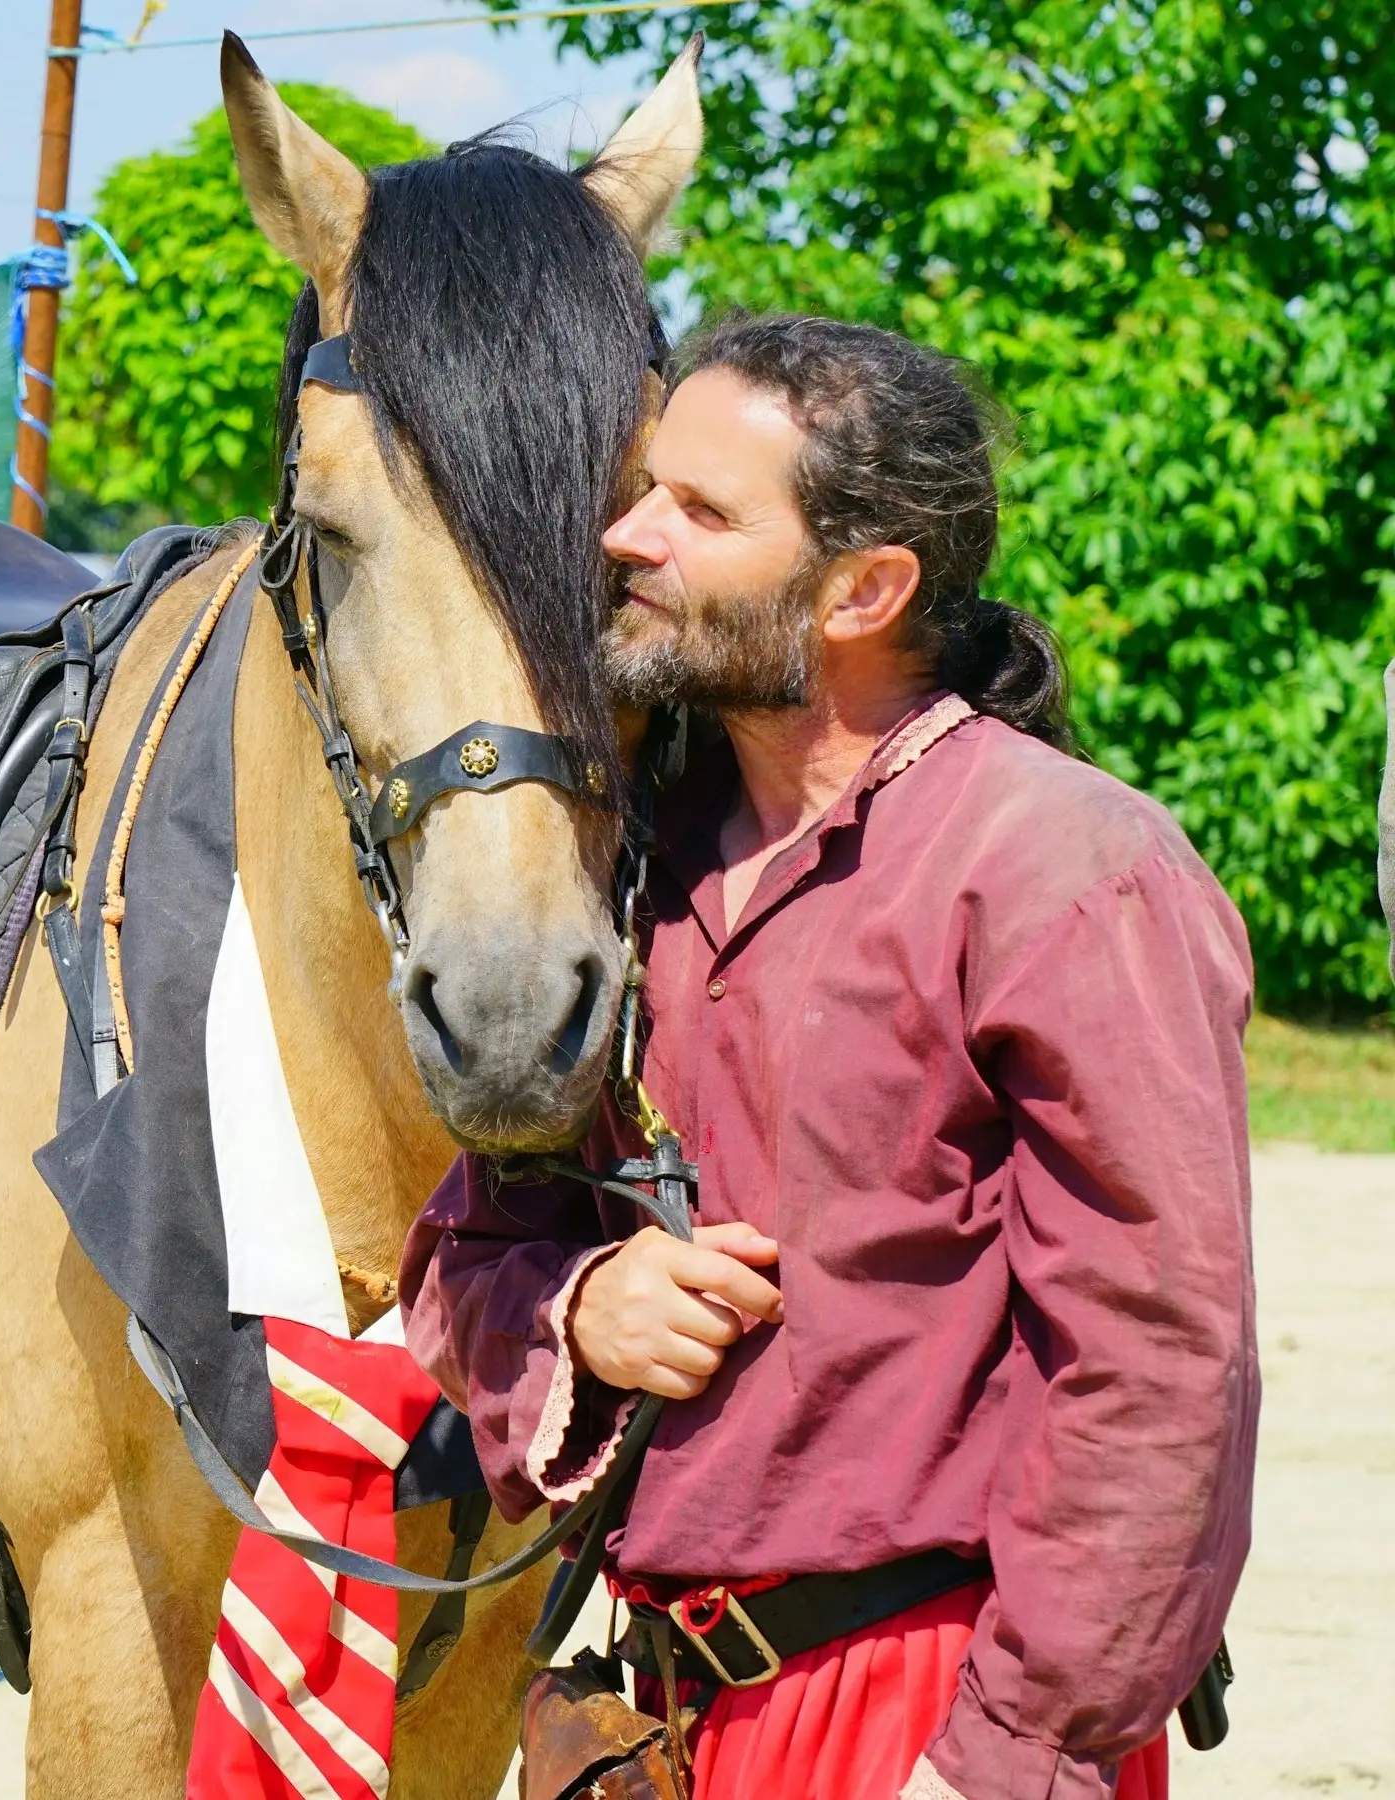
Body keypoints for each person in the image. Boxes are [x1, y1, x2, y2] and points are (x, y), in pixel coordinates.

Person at [400, 315, 1258, 1800]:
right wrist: (583, 1309)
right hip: (658, 1716)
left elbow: (1161, 1365)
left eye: (701, 512)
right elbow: (461, 1254)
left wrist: (1012, 1757)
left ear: (866, 587)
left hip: (933, 1705)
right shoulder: (626, 871)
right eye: (646, 489)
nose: (627, 534)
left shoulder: (1064, 867)